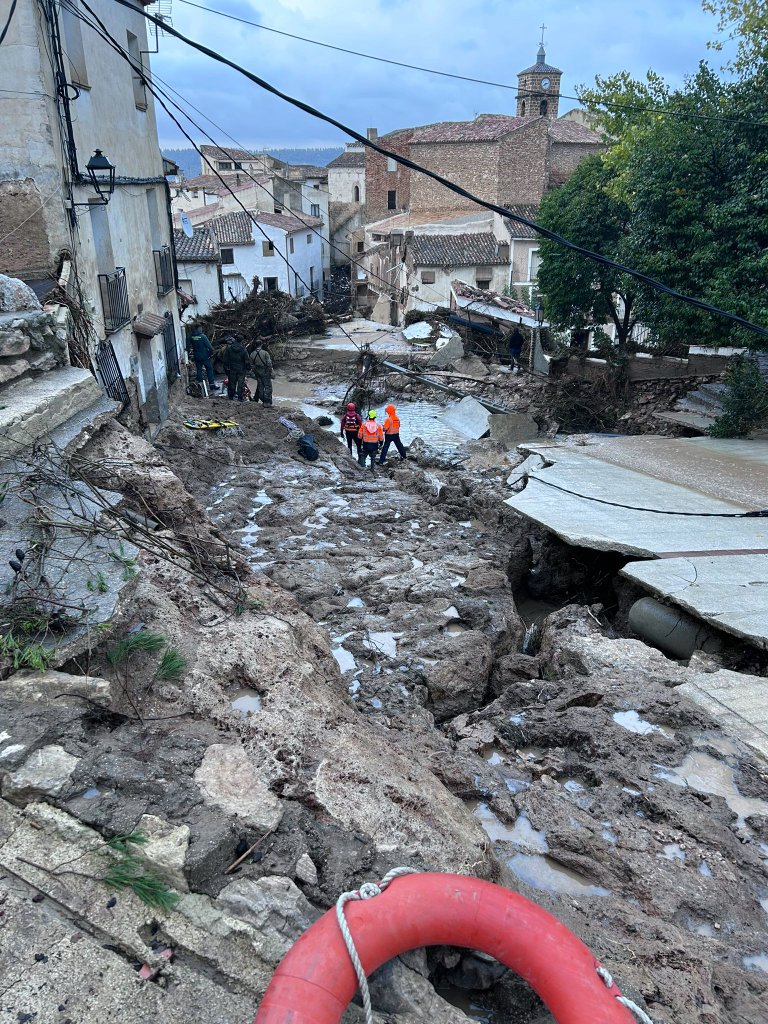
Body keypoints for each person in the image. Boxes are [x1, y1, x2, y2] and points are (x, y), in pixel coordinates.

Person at [187, 324, 217, 392]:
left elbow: (188, 346)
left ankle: (200, 385)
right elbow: (210, 347)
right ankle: (212, 385)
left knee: (199, 370)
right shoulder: (203, 337)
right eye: (201, 328)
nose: (201, 329)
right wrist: (211, 354)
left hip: (197, 356)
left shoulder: (191, 336)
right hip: (205, 356)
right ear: (198, 329)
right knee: (209, 369)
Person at [223, 334, 250, 401]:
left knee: (232, 382)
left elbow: (225, 359)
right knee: (240, 383)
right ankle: (240, 397)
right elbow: (247, 360)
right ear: (242, 341)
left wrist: (226, 368)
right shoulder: (243, 349)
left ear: (235, 340)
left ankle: (231, 396)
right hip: (241, 369)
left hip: (232, 368)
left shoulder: (229, 348)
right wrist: (248, 368)